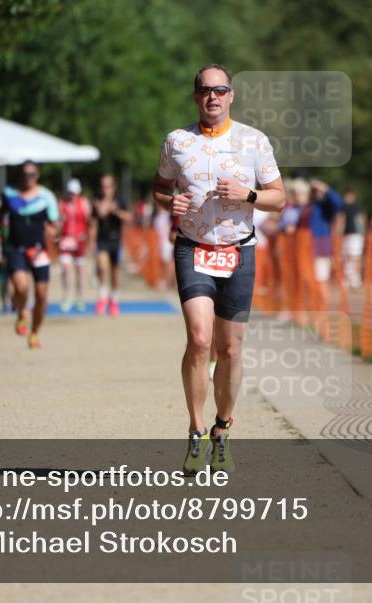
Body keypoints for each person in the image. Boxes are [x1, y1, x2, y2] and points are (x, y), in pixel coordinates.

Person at [153, 63, 285, 474]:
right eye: (205, 91)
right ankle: (195, 431)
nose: (213, 97)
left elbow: (278, 198)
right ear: (196, 97)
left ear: (231, 96)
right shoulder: (177, 141)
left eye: (220, 90)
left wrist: (248, 195)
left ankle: (222, 430)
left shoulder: (253, 141)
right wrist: (167, 202)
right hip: (193, 248)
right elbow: (160, 188)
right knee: (199, 338)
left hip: (238, 250)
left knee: (229, 349)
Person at [0, 161, 59, 349]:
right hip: (16, 248)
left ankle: (35, 331)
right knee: (21, 287)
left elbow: (55, 224)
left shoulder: (47, 197)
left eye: (32, 175)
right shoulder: (9, 194)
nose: (28, 178)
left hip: (39, 250)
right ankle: (22, 312)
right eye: (25, 174)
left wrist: (54, 232)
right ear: (20, 175)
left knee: (41, 294)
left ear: (37, 176)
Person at [92, 174, 131, 316]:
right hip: (102, 239)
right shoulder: (97, 200)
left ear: (113, 187)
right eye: (103, 186)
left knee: (115, 271)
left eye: (108, 186)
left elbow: (128, 217)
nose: (105, 189)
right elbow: (95, 220)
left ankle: (114, 299)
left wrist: (116, 211)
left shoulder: (119, 200)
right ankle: (102, 296)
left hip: (115, 239)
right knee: (102, 267)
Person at [58, 178, 93, 312]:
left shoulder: (84, 204)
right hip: (66, 239)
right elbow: (58, 222)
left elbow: (90, 223)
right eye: (70, 193)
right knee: (65, 270)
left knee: (79, 271)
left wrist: (90, 240)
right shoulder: (62, 204)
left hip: (80, 240)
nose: (72, 195)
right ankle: (67, 296)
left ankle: (80, 297)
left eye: (75, 193)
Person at [305, 178, 342, 286]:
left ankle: (321, 302)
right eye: (313, 190)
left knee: (320, 276)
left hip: (321, 244)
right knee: (309, 276)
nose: (315, 193)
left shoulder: (325, 206)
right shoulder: (308, 206)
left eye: (317, 191)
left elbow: (338, 202)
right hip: (306, 244)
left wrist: (325, 188)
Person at [341, 187, 366, 289]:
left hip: (356, 234)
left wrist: (362, 232)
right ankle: (350, 278)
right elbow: (341, 220)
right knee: (347, 256)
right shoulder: (343, 206)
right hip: (347, 234)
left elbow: (361, 219)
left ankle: (355, 279)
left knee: (355, 256)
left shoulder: (357, 206)